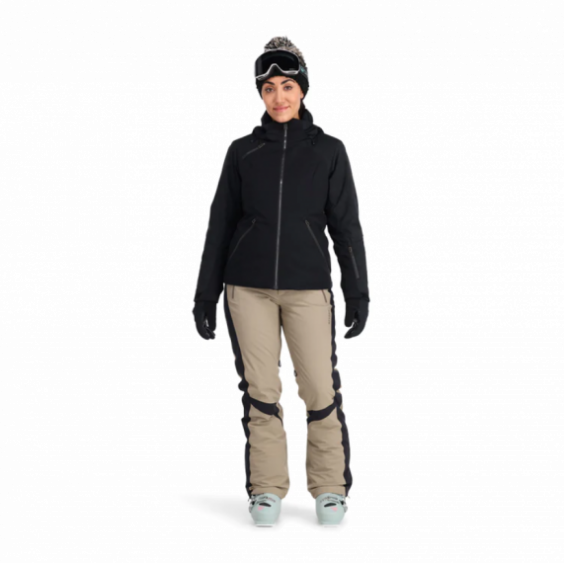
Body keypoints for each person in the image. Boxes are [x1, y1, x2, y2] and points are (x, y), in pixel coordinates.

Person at [192, 35, 370, 526]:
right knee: (262, 390)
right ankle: (267, 489)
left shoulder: (329, 152)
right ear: (259, 93)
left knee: (319, 388)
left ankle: (330, 489)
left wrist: (357, 292)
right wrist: (205, 294)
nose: (278, 97)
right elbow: (220, 226)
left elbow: (347, 228)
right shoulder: (243, 152)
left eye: (287, 86)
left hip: (308, 288)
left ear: (303, 89)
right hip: (246, 288)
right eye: (268, 88)